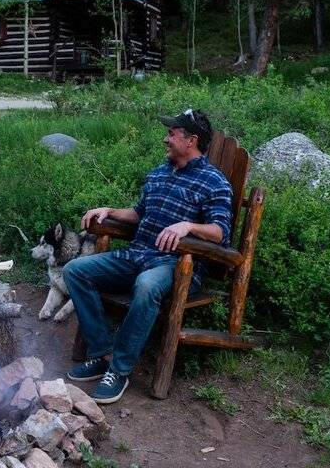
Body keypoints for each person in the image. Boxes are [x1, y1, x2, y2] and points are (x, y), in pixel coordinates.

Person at [64, 109, 233, 404]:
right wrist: (110, 211)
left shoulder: (214, 182)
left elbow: (220, 232)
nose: (166, 139)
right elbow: (139, 213)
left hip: (175, 265)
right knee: (76, 271)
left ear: (191, 140)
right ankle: (102, 352)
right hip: (136, 255)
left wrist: (188, 226)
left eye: (172, 133)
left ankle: (119, 370)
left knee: (146, 286)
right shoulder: (159, 172)